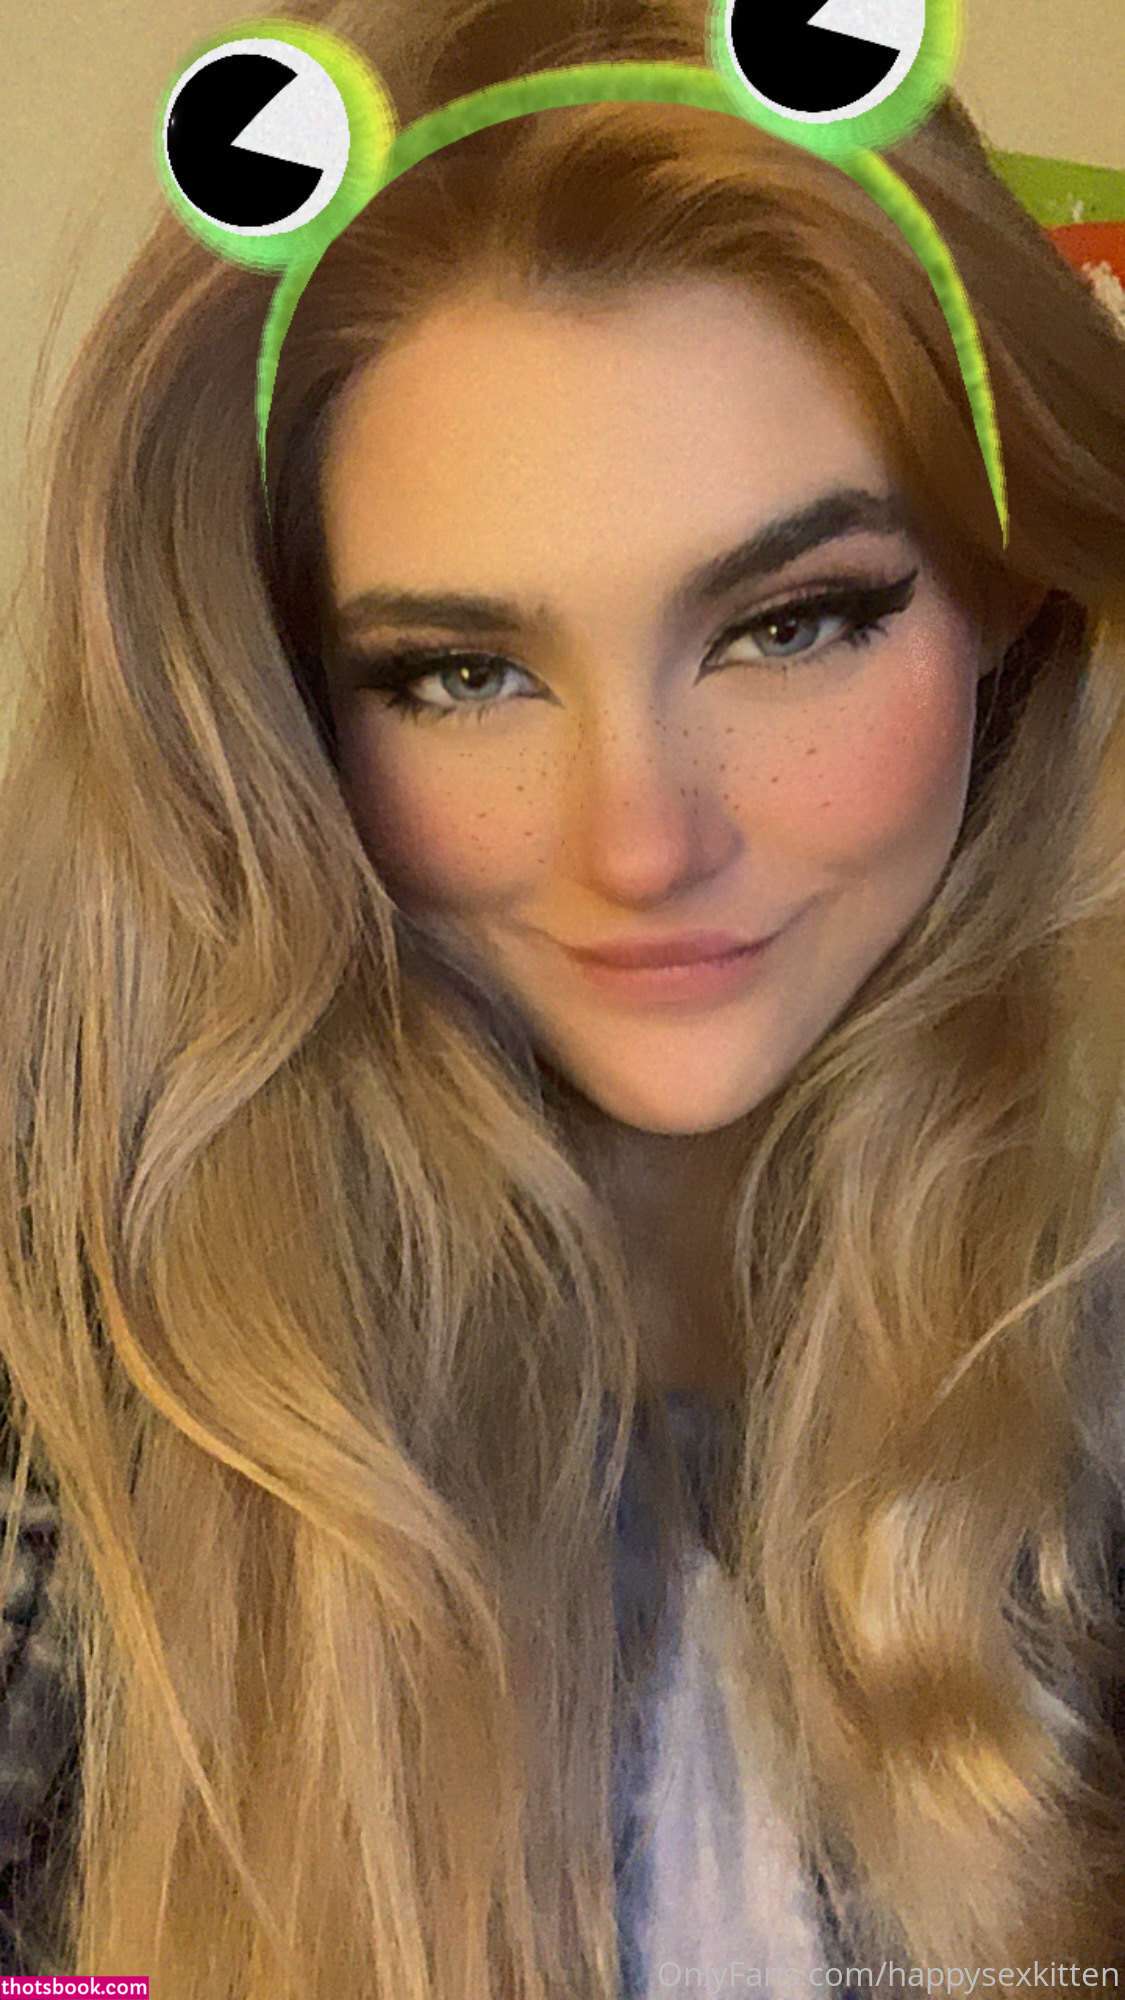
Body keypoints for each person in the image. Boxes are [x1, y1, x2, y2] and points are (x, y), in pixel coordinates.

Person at [0, 0, 1123, 1992]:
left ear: (1007, 594)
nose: (639, 843)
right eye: (460, 673)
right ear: (282, 712)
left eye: (791, 624)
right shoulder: (87, 1395)